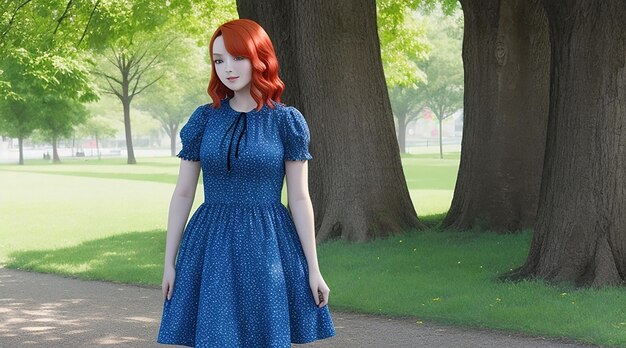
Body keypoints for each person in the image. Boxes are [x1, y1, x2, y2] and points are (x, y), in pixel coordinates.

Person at [157, 18, 336, 347]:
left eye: (237, 57)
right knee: (216, 334)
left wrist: (314, 267)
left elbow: (299, 198)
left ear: (260, 57)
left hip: (268, 243)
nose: (228, 68)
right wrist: (169, 262)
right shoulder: (204, 119)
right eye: (219, 60)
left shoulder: (286, 121)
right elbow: (183, 193)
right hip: (212, 244)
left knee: (265, 334)